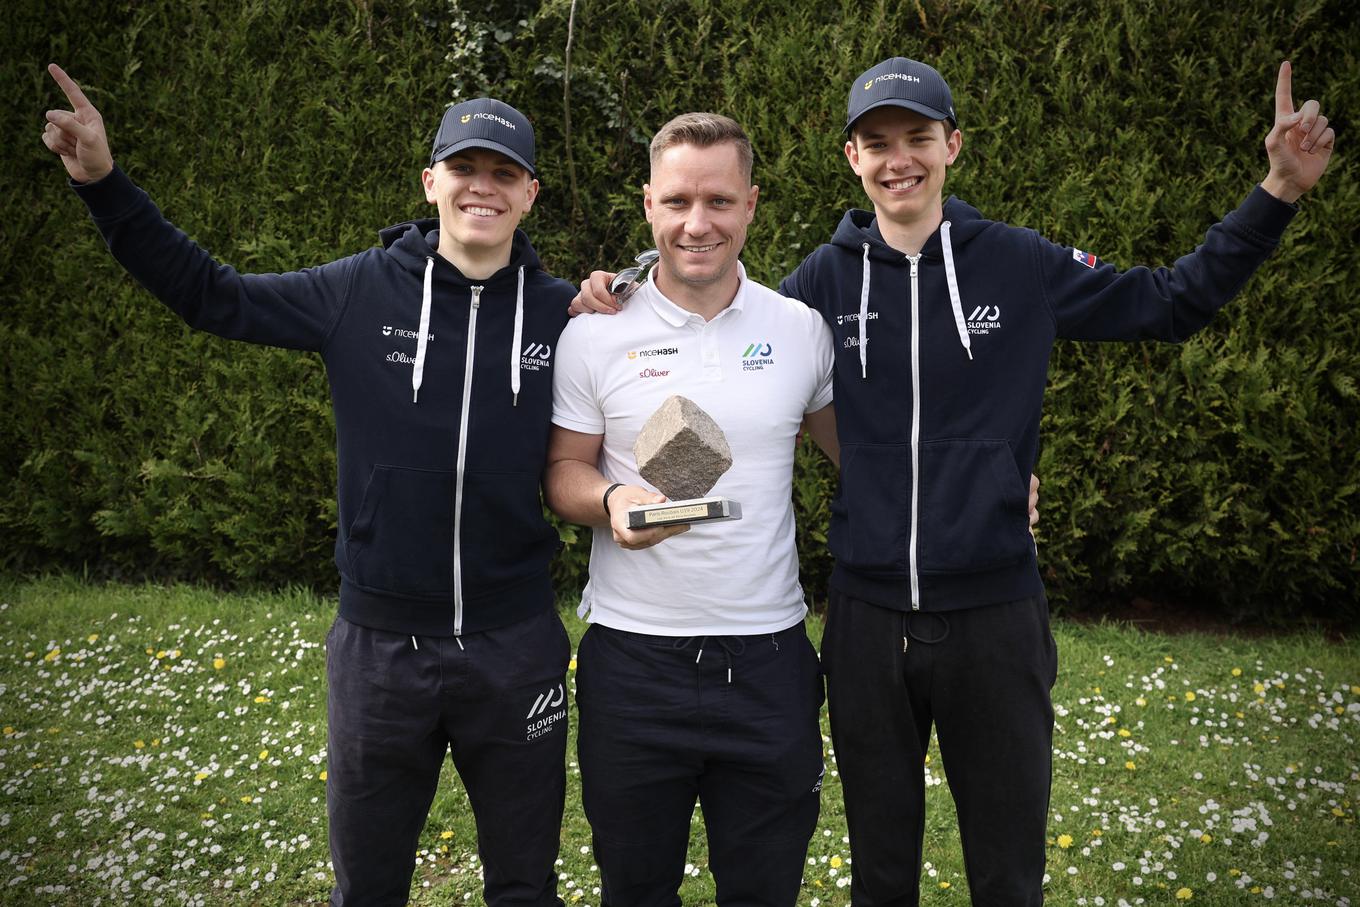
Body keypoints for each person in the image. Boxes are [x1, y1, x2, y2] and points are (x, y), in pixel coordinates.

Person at [569, 57, 1333, 905]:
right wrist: (618, 292)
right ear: (851, 157)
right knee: (880, 876)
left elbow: (1170, 302)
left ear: (952, 145)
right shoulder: (820, 285)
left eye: (917, 139)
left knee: (1008, 874)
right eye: (878, 142)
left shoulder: (1018, 262)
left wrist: (1279, 191)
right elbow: (726, 355)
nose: (899, 159)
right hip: (866, 621)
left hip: (995, 615)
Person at [42, 63, 576, 907]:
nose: (484, 187)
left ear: (531, 193)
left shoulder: (563, 315)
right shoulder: (357, 289)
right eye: (466, 168)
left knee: (524, 884)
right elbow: (212, 295)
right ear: (430, 181)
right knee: (367, 888)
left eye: (504, 172)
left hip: (516, 648)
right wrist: (105, 185)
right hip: (380, 655)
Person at [543, 112, 839, 906]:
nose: (696, 222)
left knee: (765, 889)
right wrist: (609, 500)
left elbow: (869, 460)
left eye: (718, 200)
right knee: (636, 890)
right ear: (648, 205)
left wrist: (985, 477)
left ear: (751, 204)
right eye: (676, 201)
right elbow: (563, 469)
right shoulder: (594, 336)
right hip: (634, 665)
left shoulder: (800, 330)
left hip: (769, 660)